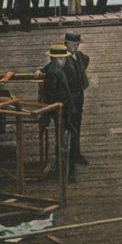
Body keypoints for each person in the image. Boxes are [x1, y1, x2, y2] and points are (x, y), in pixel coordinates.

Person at [40, 45, 77, 181]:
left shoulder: (54, 68)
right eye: (61, 58)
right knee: (65, 139)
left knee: (65, 138)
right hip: (61, 110)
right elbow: (51, 94)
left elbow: (47, 68)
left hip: (63, 109)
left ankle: (65, 170)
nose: (64, 61)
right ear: (54, 59)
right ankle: (66, 173)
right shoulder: (53, 72)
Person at [62, 32, 90, 167]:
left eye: (77, 44)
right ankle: (69, 157)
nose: (75, 46)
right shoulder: (62, 58)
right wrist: (40, 70)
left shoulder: (80, 56)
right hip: (68, 98)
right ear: (66, 43)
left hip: (79, 97)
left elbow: (86, 59)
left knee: (77, 125)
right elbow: (52, 66)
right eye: (72, 44)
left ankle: (77, 153)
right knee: (69, 128)